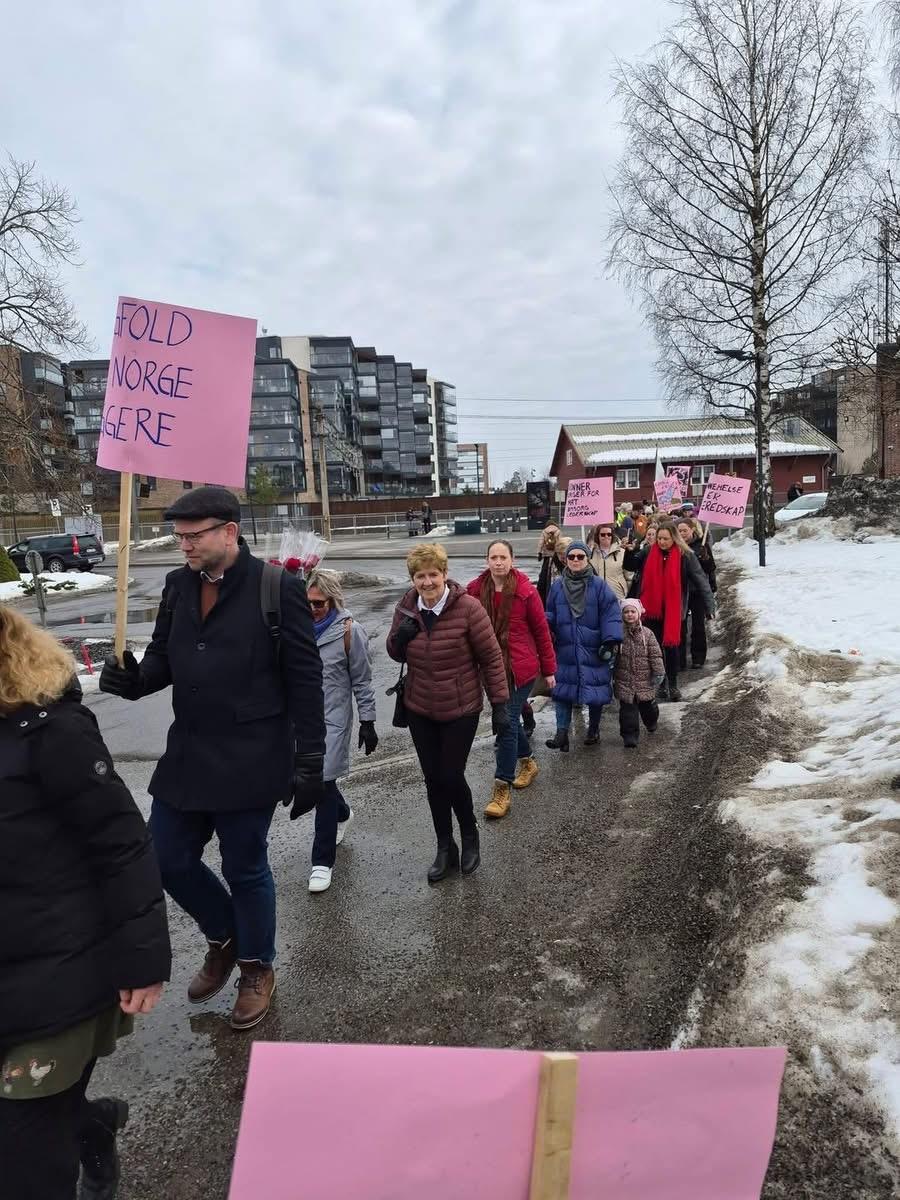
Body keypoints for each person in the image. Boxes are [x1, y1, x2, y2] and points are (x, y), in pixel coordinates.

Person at [100, 486, 325, 1032]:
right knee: (163, 858)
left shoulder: (276, 588)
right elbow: (163, 658)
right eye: (178, 537)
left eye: (192, 536)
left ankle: (256, 967)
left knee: (245, 868)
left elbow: (305, 679)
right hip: (189, 755)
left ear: (229, 531)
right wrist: (134, 679)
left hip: (252, 757)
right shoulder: (178, 585)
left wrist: (311, 760)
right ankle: (225, 937)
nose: (183, 546)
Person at [0, 605, 171, 1200]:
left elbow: (119, 842)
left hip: (55, 974)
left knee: (25, 1166)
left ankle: (75, 1128)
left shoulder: (50, 731)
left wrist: (143, 958)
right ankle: (90, 1124)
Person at [387, 543, 509, 882]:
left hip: (460, 707)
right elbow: (395, 652)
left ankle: (469, 834)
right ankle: (445, 846)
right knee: (432, 779)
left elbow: (491, 658)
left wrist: (500, 706)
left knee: (451, 775)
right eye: (420, 576)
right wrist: (400, 638)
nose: (427, 582)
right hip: (420, 707)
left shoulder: (468, 608)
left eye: (433, 575)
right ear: (413, 579)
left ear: (444, 574)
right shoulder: (406, 608)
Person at [466, 541, 557, 819]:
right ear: (487, 560)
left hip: (520, 668)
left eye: (503, 557)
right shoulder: (473, 591)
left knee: (505, 723)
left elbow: (541, 631)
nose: (498, 562)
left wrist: (549, 669)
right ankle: (528, 762)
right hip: (490, 668)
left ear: (512, 560)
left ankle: (501, 788)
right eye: (493, 557)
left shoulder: (526, 591)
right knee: (510, 719)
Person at [305, 568, 377, 894]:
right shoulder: (296, 629)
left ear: (333, 601)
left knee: (321, 783)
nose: (313, 609)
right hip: (302, 721)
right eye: (308, 603)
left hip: (334, 720)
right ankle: (343, 813)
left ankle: (322, 862)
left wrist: (368, 721)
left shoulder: (350, 631)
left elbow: (362, 680)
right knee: (318, 782)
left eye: (319, 604)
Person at [544, 540, 622, 750]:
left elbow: (610, 613)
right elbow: (549, 612)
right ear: (566, 560)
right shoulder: (557, 586)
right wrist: (544, 630)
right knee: (562, 690)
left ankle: (593, 729)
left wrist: (609, 641)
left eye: (580, 556)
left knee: (594, 690)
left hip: (593, 647)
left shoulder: (599, 585)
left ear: (587, 559)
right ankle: (561, 733)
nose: (576, 560)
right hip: (565, 647)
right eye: (571, 557)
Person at [638, 521, 714, 702]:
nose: (662, 542)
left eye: (666, 539)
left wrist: (710, 606)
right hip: (652, 610)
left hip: (674, 610)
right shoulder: (649, 552)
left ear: (674, 538)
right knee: (655, 650)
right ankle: (661, 684)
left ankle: (673, 684)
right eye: (659, 538)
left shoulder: (685, 555)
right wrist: (631, 551)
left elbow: (701, 580)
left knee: (672, 648)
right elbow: (634, 567)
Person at [614, 598, 665, 748]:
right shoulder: (618, 633)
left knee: (647, 707)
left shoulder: (647, 634)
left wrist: (658, 672)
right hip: (624, 680)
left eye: (633, 611)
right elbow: (613, 654)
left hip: (644, 679)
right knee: (627, 711)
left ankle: (651, 721)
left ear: (639, 613)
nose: (629, 614)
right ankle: (629, 735)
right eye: (626, 612)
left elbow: (655, 655)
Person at [676, 519, 718, 669]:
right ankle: (680, 659)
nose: (682, 534)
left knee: (698, 625)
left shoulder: (701, 545)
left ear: (692, 530)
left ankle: (698, 657)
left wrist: (705, 558)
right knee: (680, 625)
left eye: (685, 530)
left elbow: (710, 568)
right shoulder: (675, 546)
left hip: (697, 591)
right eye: (679, 531)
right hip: (681, 590)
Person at [587, 523, 632, 600]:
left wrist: (625, 591)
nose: (606, 536)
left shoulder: (622, 553)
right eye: (603, 535)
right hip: (596, 596)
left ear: (612, 536)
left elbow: (629, 577)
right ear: (598, 536)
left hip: (617, 596)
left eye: (609, 534)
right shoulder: (590, 554)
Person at [536, 522, 563, 604]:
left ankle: (544, 588)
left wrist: (539, 552)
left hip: (547, 556)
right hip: (555, 555)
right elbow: (560, 543)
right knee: (557, 571)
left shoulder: (544, 531)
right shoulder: (558, 531)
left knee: (545, 572)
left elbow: (540, 542)